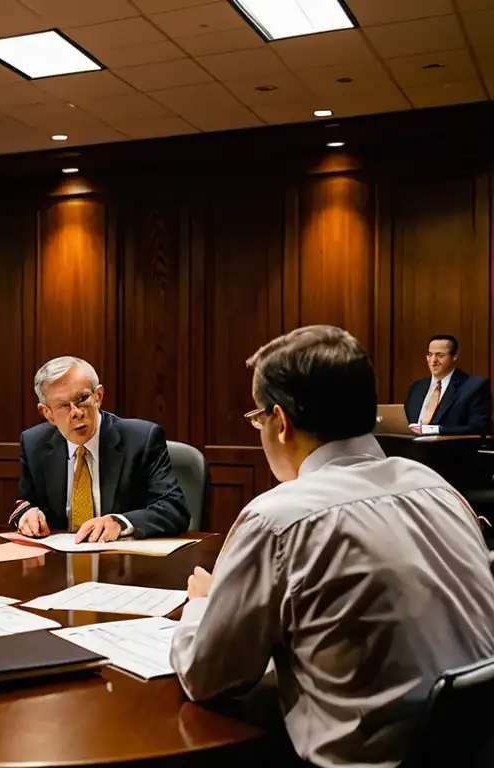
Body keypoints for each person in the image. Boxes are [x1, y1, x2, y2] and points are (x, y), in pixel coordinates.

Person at [170, 325, 494, 768]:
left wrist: (202, 605)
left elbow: (206, 676)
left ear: (280, 422)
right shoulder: (438, 489)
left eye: (257, 417)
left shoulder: (279, 517)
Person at [11, 356, 189, 543]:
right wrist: (27, 515)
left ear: (98, 397)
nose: (76, 413)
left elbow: (174, 509)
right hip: (58, 562)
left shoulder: (141, 440)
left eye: (82, 399)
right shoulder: (35, 444)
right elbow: (25, 502)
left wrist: (120, 522)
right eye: (63, 406)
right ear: (47, 413)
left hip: (123, 562)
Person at [404, 333, 492, 435]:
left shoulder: (474, 387)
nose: (433, 361)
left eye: (440, 355)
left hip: (450, 448)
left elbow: (480, 427)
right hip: (411, 446)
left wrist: (436, 430)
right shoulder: (417, 386)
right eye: (430, 355)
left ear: (454, 356)